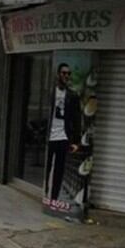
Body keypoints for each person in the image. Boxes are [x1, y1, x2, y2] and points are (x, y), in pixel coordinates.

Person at [45, 63, 81, 200]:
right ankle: (46, 193)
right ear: (58, 74)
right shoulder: (51, 92)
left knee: (59, 170)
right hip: (50, 136)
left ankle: (53, 198)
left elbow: (77, 119)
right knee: (47, 168)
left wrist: (76, 141)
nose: (66, 76)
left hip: (63, 136)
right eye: (64, 73)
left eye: (68, 74)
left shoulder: (72, 95)